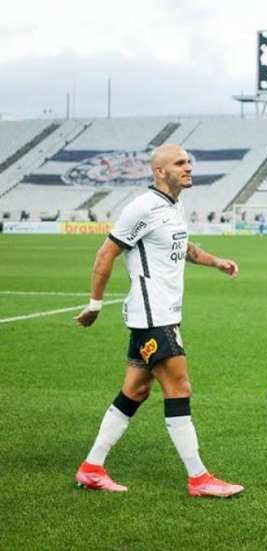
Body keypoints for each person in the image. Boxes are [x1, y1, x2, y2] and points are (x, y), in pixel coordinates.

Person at [73, 144, 243, 498]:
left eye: (189, 161)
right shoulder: (141, 208)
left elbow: (183, 248)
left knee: (135, 390)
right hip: (154, 318)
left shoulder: (173, 206)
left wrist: (216, 262)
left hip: (159, 316)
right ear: (159, 171)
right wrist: (94, 304)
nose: (188, 167)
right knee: (179, 388)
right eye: (180, 163)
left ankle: (91, 467)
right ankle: (199, 479)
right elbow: (106, 253)